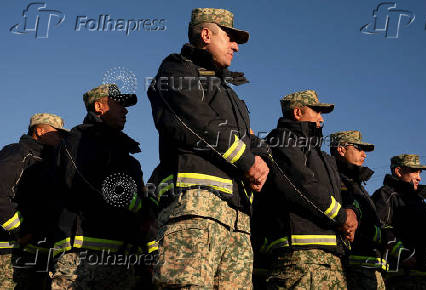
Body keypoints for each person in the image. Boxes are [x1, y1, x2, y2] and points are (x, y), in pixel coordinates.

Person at [147, 8, 269, 289]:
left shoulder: (228, 93)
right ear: (206, 35)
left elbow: (247, 138)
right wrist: (248, 161)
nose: (236, 46)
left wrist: (260, 158)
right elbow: (198, 122)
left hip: (238, 219)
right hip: (196, 208)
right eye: (229, 37)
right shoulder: (176, 71)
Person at [51, 84, 150, 290]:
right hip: (83, 255)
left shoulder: (127, 156)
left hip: (122, 258)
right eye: (118, 104)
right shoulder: (78, 140)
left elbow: (143, 209)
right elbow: (82, 181)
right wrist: (131, 203)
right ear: (98, 107)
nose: (125, 110)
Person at [256, 89, 357, 289]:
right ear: (297, 113)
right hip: (300, 260)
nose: (321, 119)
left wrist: (349, 213)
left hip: (331, 260)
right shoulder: (282, 140)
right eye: (317, 111)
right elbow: (300, 184)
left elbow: (336, 194)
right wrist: (341, 217)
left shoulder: (319, 154)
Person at [0, 113, 68, 289]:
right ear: (39, 131)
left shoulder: (53, 164)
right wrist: (19, 230)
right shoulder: (17, 153)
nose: (61, 138)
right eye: (57, 133)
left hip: (41, 256)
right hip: (10, 253)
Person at [330, 130, 386, 289]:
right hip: (351, 266)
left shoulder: (357, 184)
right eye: (359, 148)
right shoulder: (335, 180)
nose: (364, 155)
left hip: (368, 266)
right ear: (341, 149)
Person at [373, 154, 426, 289]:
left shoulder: (419, 202)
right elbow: (380, 226)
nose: (419, 177)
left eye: (420, 172)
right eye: (414, 171)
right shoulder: (387, 195)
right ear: (399, 171)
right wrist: (403, 253)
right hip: (404, 278)